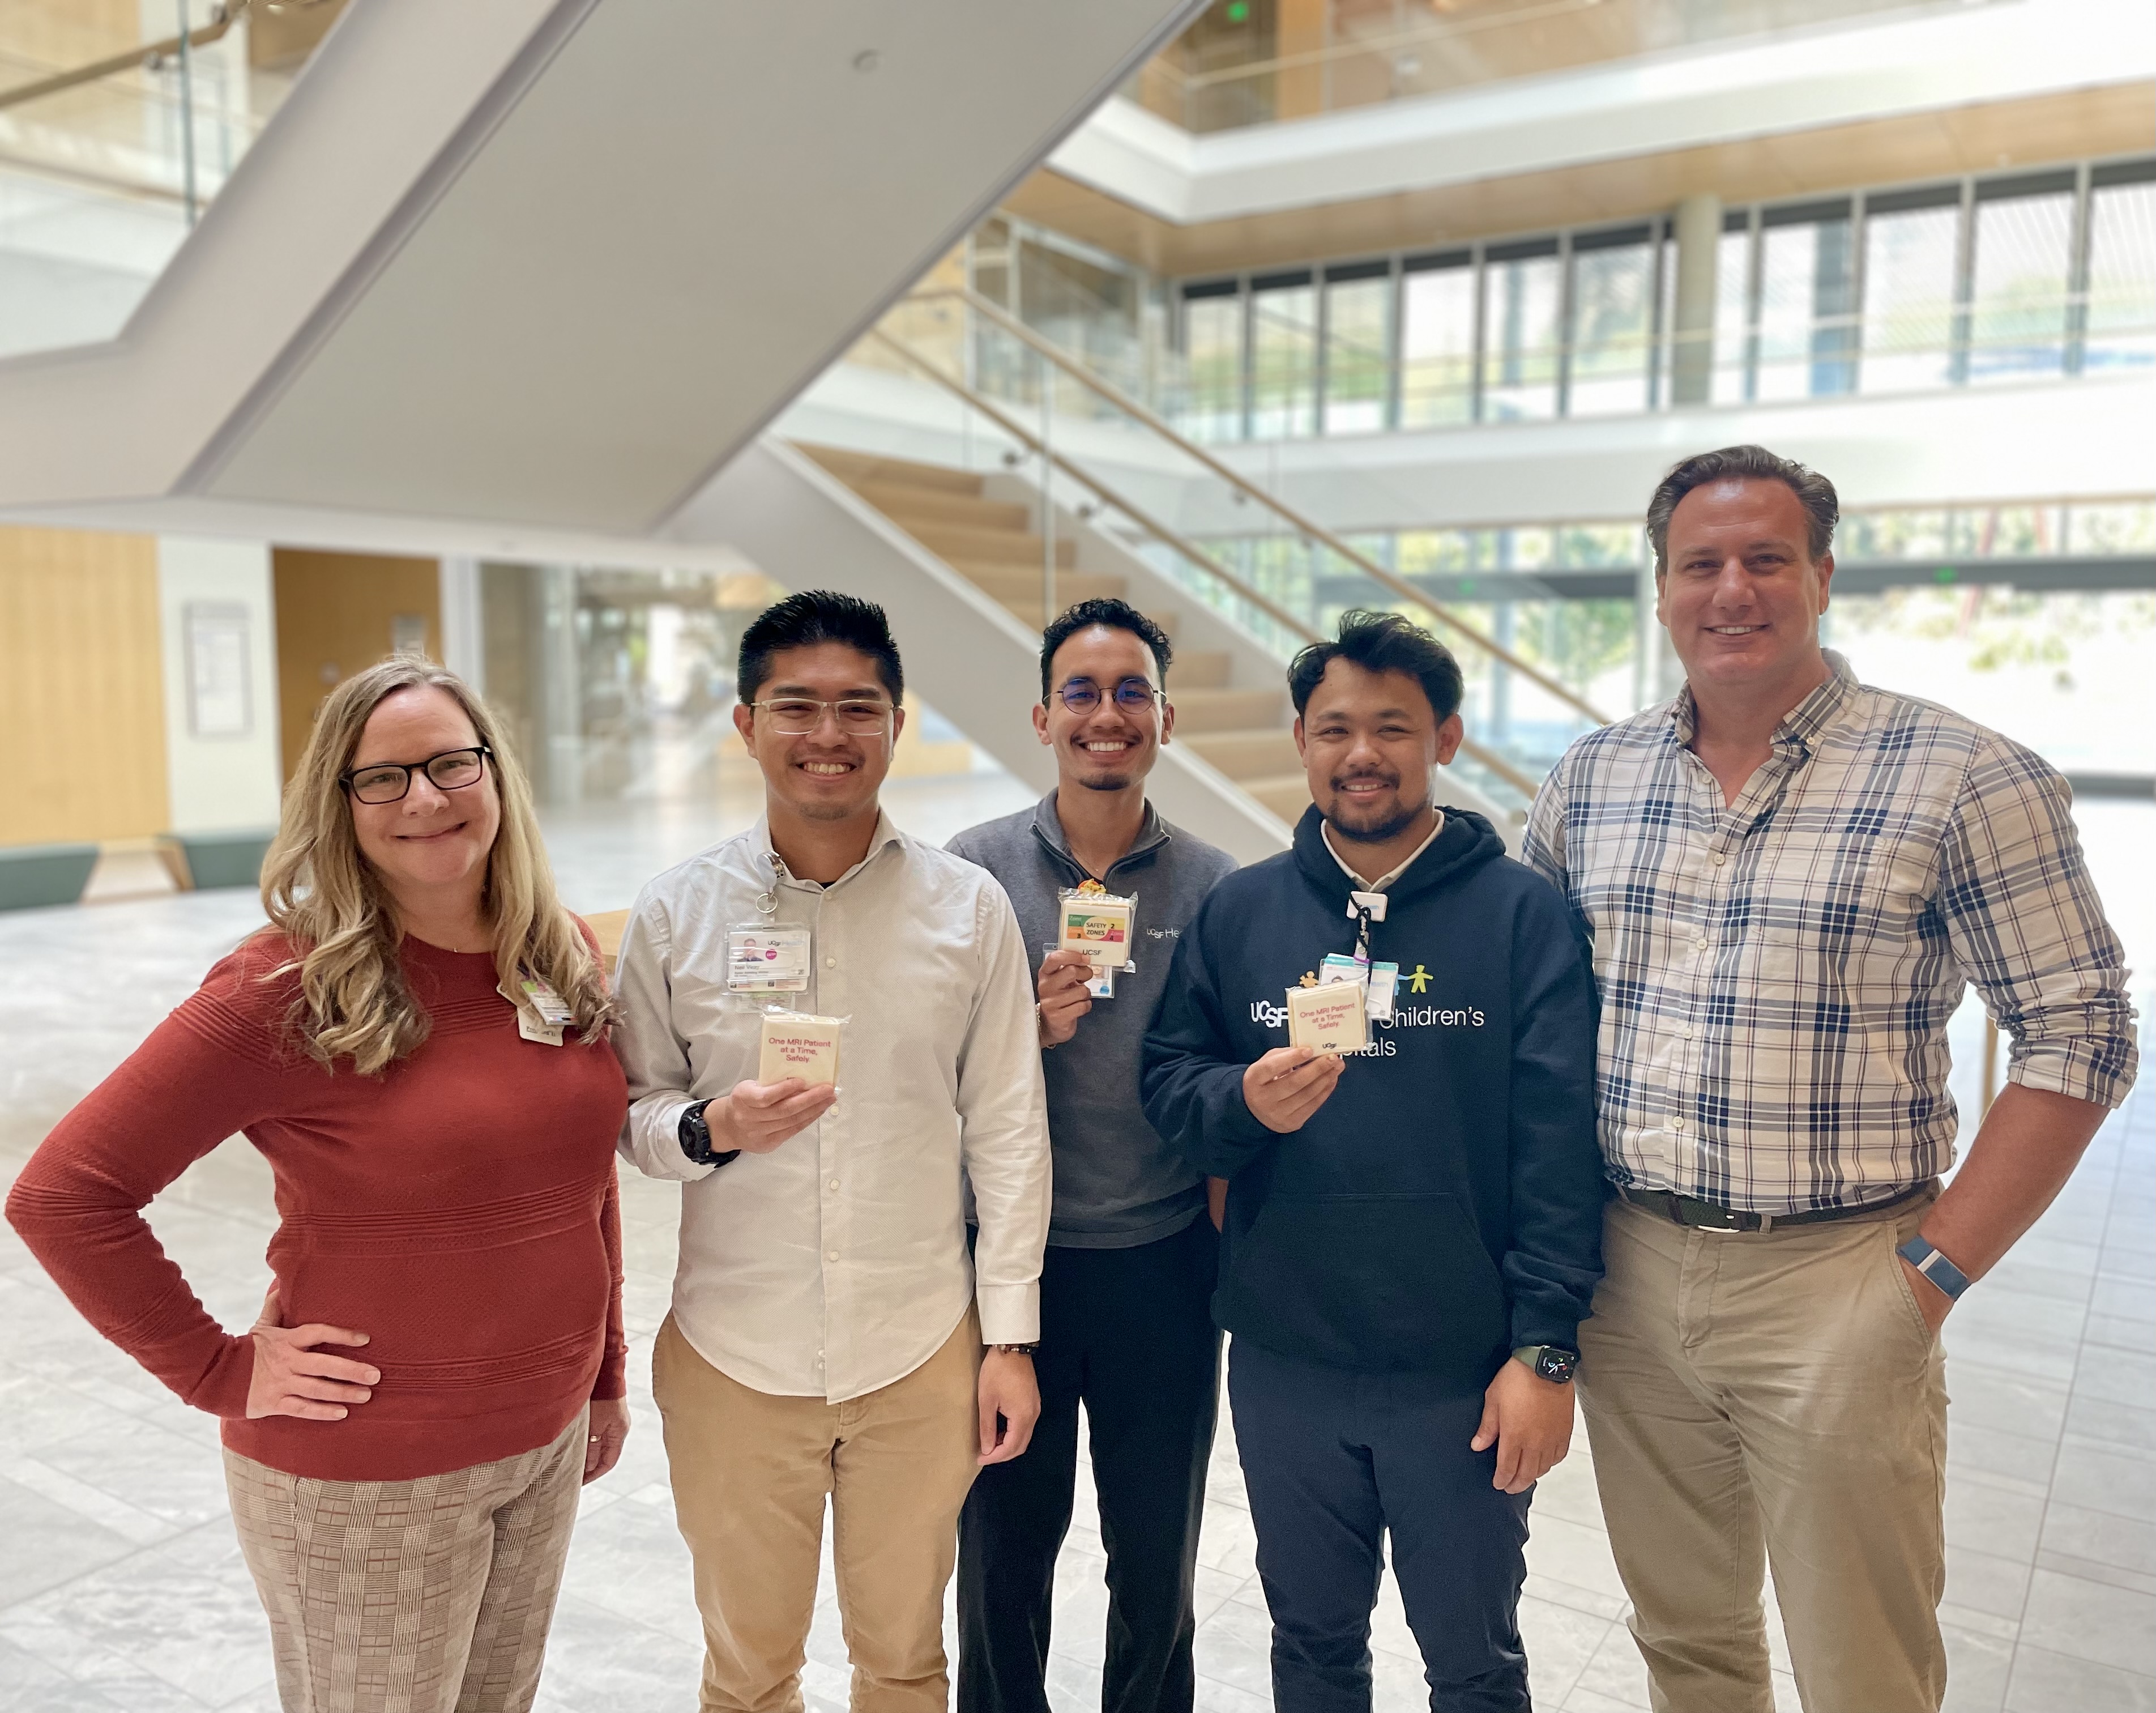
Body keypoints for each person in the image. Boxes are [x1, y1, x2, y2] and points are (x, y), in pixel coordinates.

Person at [1522, 445, 2140, 1713]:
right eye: (1699, 565)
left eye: (1764, 559)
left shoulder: (1964, 775)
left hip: (1840, 1280)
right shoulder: (1591, 779)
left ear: (1820, 574)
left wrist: (1927, 1279)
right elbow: (1524, 1014)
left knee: (1861, 1664)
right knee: (1684, 1640)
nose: (1730, 591)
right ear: (1659, 590)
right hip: (1626, 1271)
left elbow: (2080, 1030)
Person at [5, 658, 630, 1713]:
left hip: (544, 1441)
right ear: (335, 807)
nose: (425, 798)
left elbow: (585, 1184)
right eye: (380, 778)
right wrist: (213, 1370)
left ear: (496, 775)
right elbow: (63, 1195)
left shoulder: (555, 954)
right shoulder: (286, 988)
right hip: (367, 1474)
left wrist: (604, 1377)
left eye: (450, 764)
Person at [1142, 611, 1603, 1713]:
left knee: (1473, 1664)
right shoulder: (1240, 910)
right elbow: (1167, 1083)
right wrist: (1239, 1098)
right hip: (1284, 1359)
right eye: (1334, 728)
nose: (1361, 754)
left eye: (1392, 728)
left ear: (1442, 740)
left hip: (1459, 1369)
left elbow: (1558, 1143)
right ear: (1300, 740)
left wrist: (1544, 1349)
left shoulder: (1520, 919)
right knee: (1309, 1646)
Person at [612, 589, 1052, 1713]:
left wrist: (1007, 1339)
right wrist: (712, 1130)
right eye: (795, 705)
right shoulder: (673, 915)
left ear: (896, 724)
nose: (827, 734)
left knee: (904, 1664)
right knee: (747, 1672)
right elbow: (630, 1115)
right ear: (745, 723)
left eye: (858, 707)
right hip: (731, 1359)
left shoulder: (968, 909)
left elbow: (1007, 1130)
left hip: (918, 1355)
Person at [947, 598, 1239, 1713]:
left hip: (1161, 1266)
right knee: (1002, 1557)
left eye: (1129, 694)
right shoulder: (970, 876)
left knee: (1154, 1558)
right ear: (1040, 716)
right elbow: (917, 1076)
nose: (1105, 716)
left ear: (1164, 718)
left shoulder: (1215, 887)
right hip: (1005, 1269)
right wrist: (1014, 1032)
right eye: (1081, 692)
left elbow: (1227, 1072)